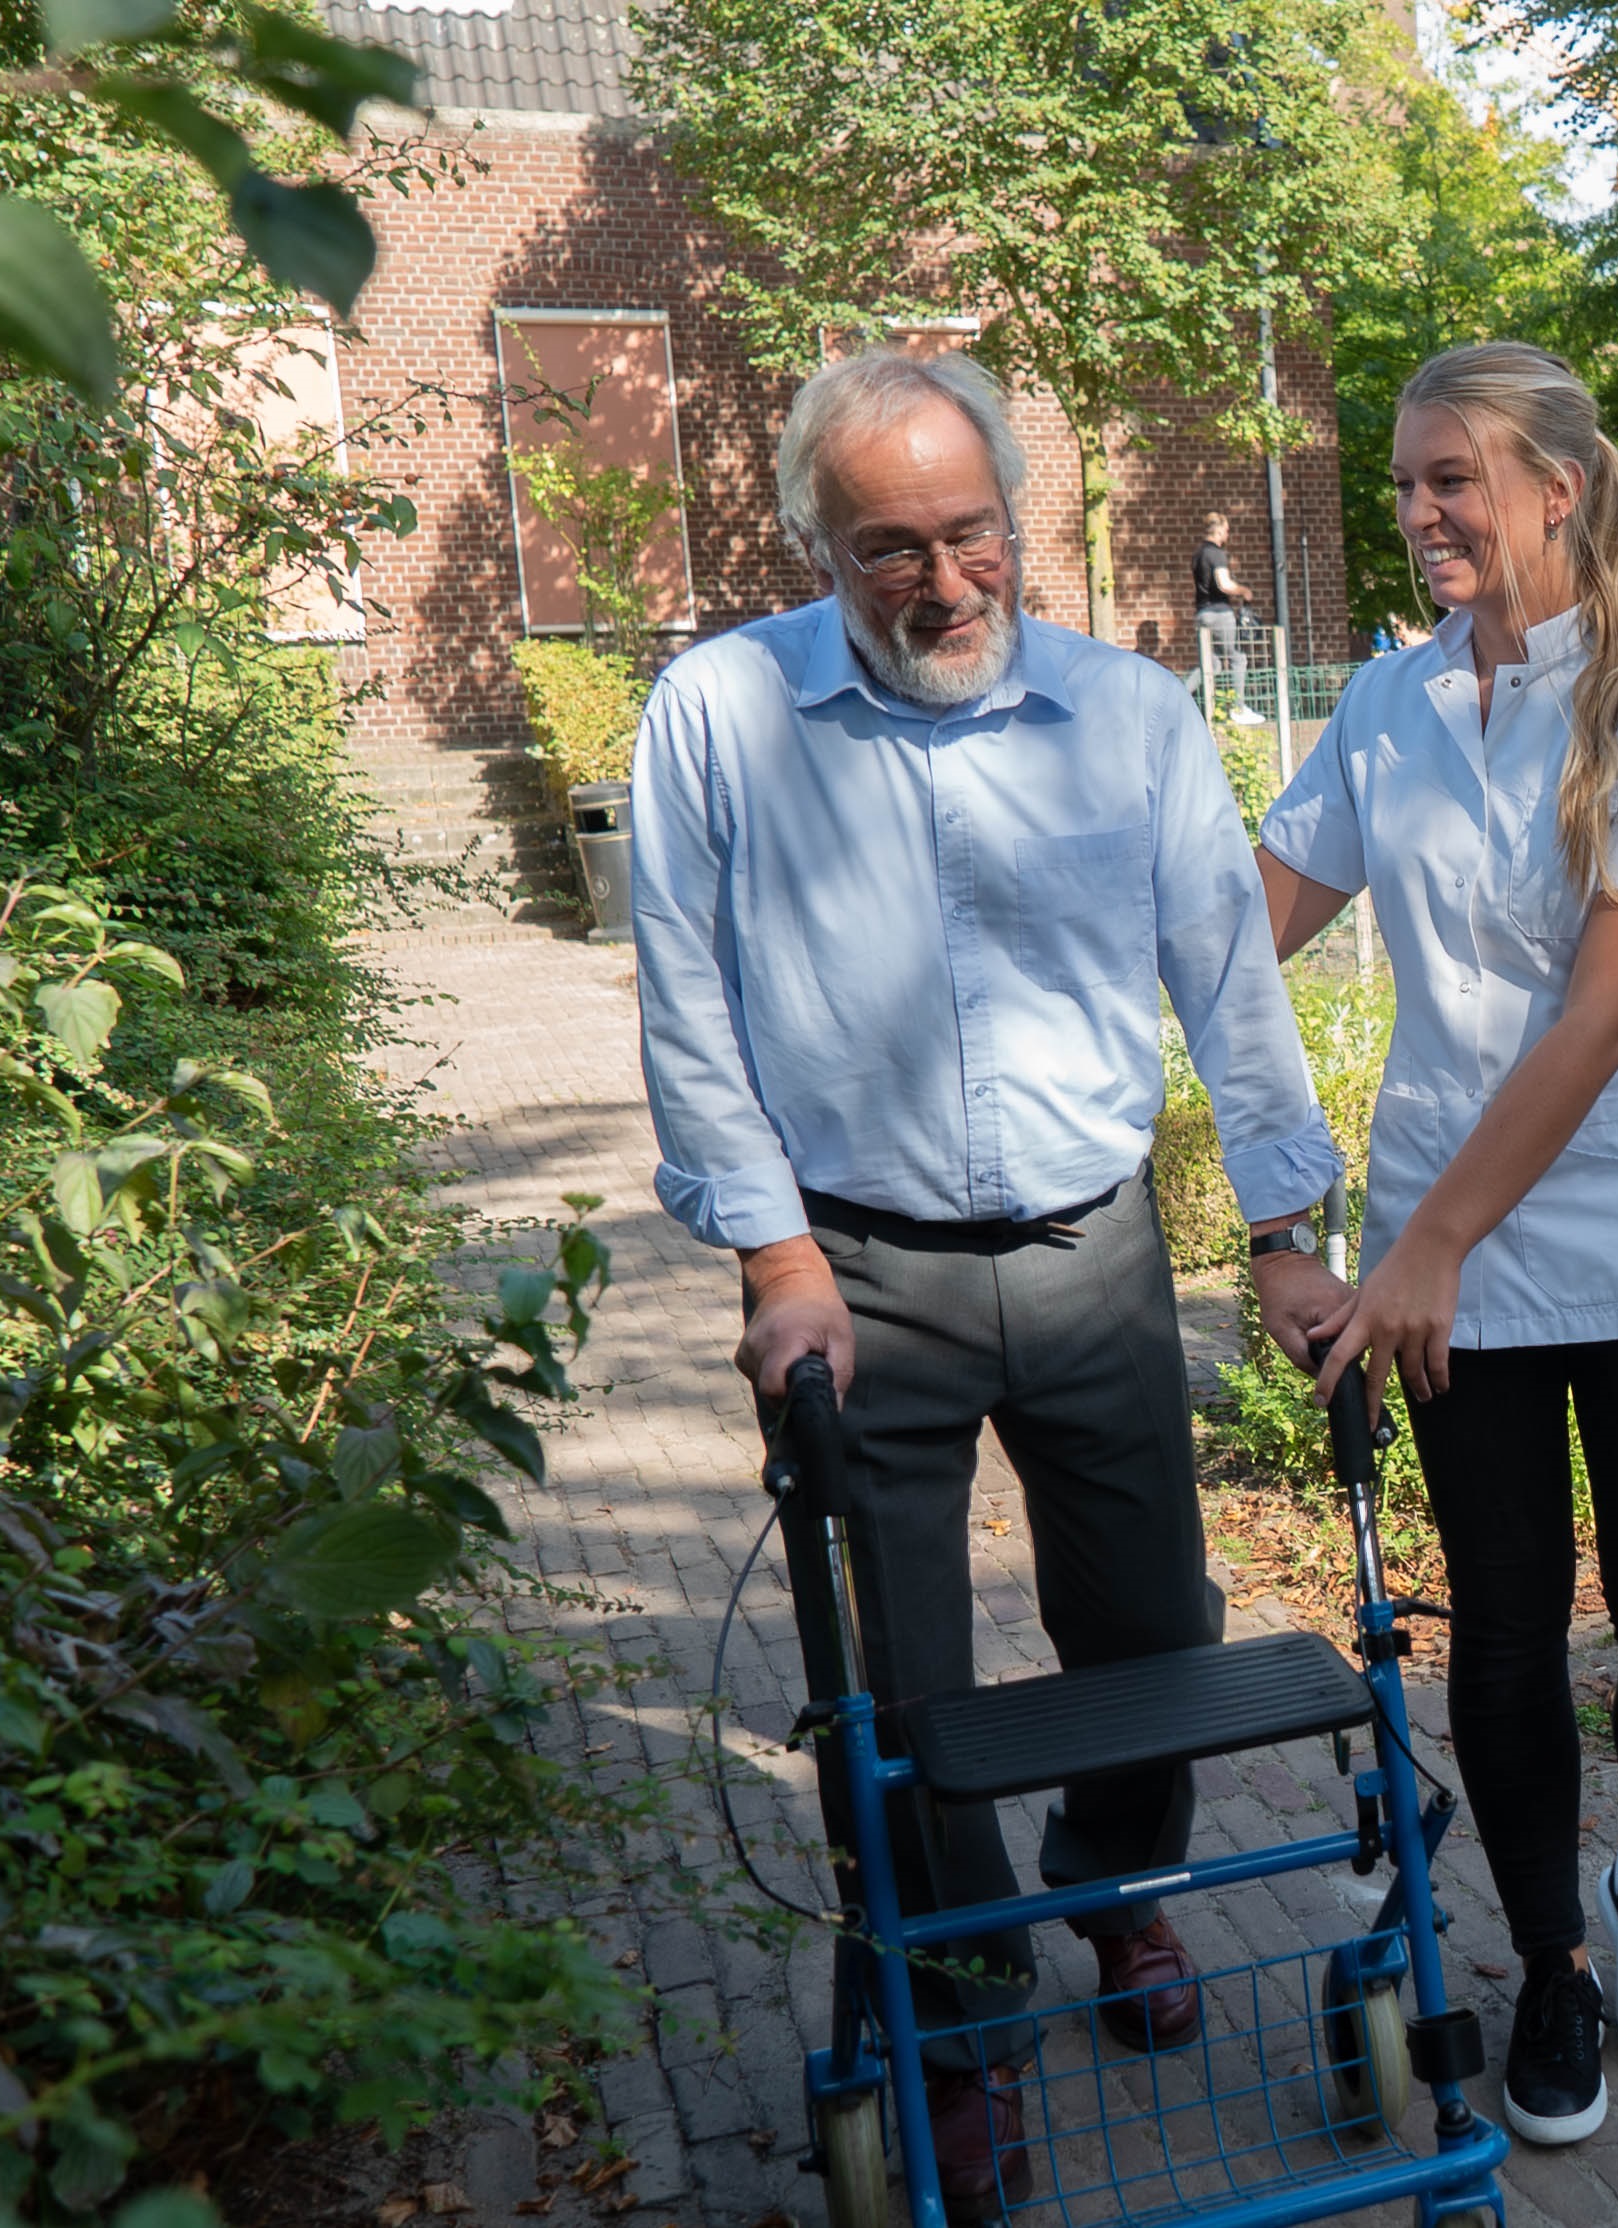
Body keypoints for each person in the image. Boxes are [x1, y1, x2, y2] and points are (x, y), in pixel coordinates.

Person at [630, 347, 1348, 2221]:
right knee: (904, 1687)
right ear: (812, 541)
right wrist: (774, 1254)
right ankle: (963, 2020)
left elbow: (1229, 980)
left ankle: (1114, 1894)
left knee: (1152, 1626)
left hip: (1095, 1246)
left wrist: (1283, 1232)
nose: (945, 580)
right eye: (891, 547)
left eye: (974, 532)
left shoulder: (1131, 717)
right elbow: (687, 1000)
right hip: (858, 1272)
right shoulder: (721, 713)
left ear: (1015, 518)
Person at [1255, 340, 1618, 2148]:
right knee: (1504, 1631)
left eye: (1451, 478)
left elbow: (1601, 1018)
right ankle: (1551, 1957)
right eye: (1403, 483)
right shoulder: (1386, 705)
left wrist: (1423, 1246)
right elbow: (1245, 932)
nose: (1417, 514)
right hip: (1441, 1250)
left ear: (1560, 485)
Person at [1190, 508, 1264, 723]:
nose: (1228, 535)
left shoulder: (1198, 554)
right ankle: (1238, 709)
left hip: (1202, 614)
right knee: (1237, 659)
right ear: (1219, 531)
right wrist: (1244, 591)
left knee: (1211, 665)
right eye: (1227, 531)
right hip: (1220, 613)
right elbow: (1224, 584)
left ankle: (1181, 696)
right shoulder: (1216, 553)